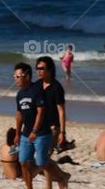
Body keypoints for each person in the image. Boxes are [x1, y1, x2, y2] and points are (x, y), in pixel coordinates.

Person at [13, 62, 66, 189]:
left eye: (18, 76)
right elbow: (19, 114)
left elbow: (41, 112)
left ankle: (61, 178)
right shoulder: (19, 94)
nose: (16, 79)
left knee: (41, 163)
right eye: (14, 76)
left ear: (27, 76)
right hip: (26, 134)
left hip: (41, 133)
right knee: (23, 162)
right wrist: (17, 133)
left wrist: (35, 131)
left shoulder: (37, 90)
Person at [34, 58, 71, 188]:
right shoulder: (37, 85)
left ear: (49, 69)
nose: (39, 71)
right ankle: (62, 177)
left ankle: (50, 185)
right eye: (37, 68)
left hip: (53, 128)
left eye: (42, 68)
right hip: (38, 127)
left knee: (44, 158)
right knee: (42, 160)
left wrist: (62, 132)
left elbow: (61, 111)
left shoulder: (57, 87)